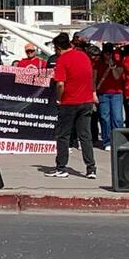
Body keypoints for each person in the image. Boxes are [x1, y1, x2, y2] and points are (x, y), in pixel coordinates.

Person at [46, 33, 97, 179]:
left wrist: (58, 99)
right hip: (86, 102)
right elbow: (90, 76)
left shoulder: (62, 60)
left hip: (69, 102)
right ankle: (91, 168)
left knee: (63, 135)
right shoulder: (83, 56)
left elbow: (60, 83)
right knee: (85, 136)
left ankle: (61, 167)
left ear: (57, 48)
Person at [94, 43, 125, 151]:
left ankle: (118, 140)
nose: (108, 55)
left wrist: (112, 67)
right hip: (103, 93)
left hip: (116, 93)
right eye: (106, 53)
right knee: (104, 118)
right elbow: (94, 79)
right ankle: (107, 141)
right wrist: (93, 93)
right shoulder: (98, 64)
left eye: (110, 53)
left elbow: (117, 77)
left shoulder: (119, 63)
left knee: (118, 118)